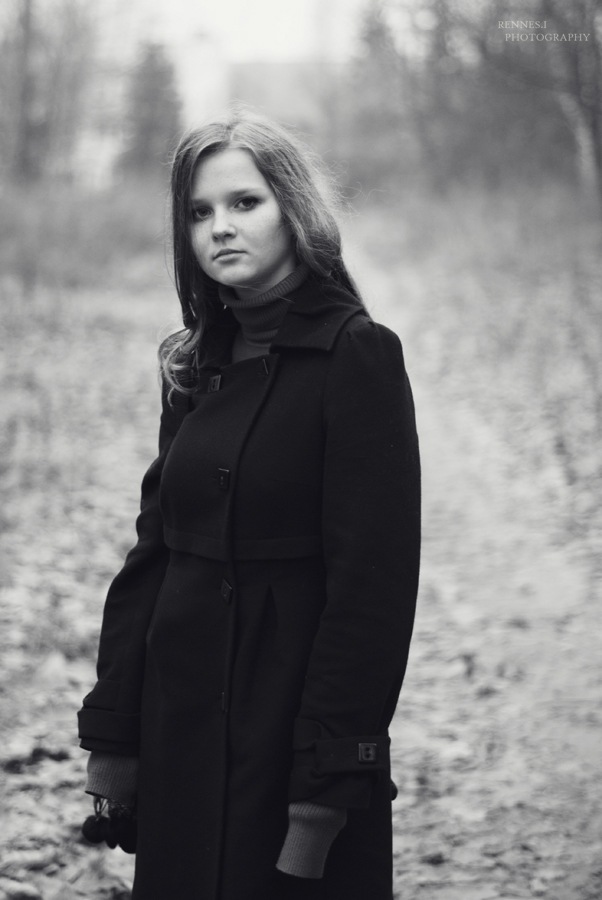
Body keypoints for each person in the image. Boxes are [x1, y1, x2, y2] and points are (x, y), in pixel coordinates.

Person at [78, 110, 421, 900]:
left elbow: (372, 593)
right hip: (181, 721)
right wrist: (115, 731)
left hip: (289, 733)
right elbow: (153, 552)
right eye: (199, 212)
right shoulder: (192, 359)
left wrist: (327, 785)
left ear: (293, 209)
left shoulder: (358, 356)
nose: (220, 228)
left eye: (244, 203)